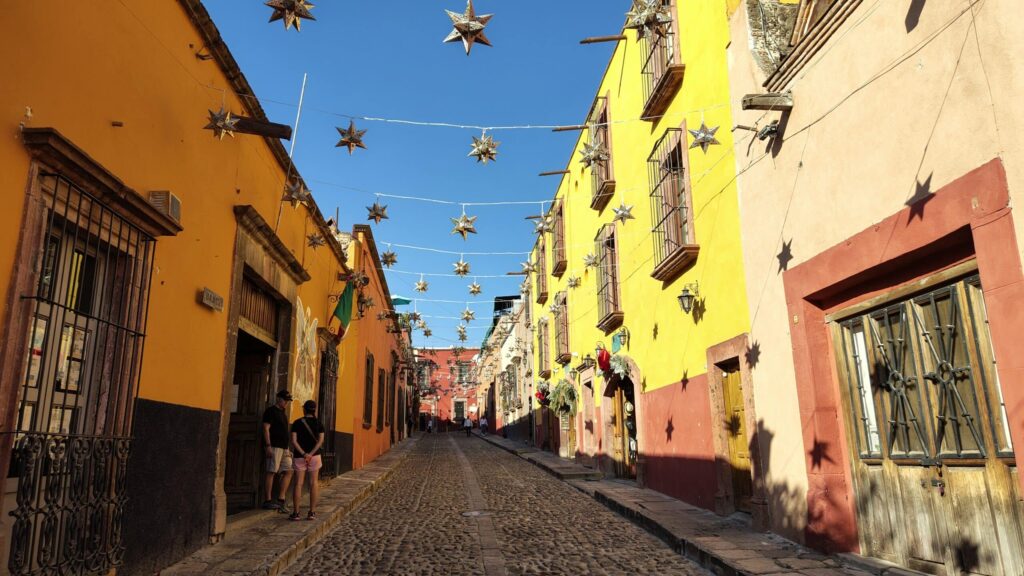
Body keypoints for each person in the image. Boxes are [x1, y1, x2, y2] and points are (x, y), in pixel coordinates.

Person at [289, 399, 325, 521]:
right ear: (314, 410)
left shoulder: (297, 423)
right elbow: (320, 441)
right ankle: (312, 512)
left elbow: (294, 441)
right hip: (315, 456)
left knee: (298, 483)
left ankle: (296, 513)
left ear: (304, 409)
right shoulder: (319, 423)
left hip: (300, 456)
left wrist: (304, 453)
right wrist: (310, 454)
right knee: (314, 483)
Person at [262, 389, 294, 510]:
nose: (287, 403)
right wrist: (268, 445)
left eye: (288, 401)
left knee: (289, 470)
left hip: (284, 447)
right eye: (286, 400)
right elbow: (265, 428)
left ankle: (281, 499)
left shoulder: (283, 413)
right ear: (279, 399)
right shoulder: (271, 411)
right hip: (274, 446)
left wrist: (288, 448)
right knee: (271, 472)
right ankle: (268, 500)